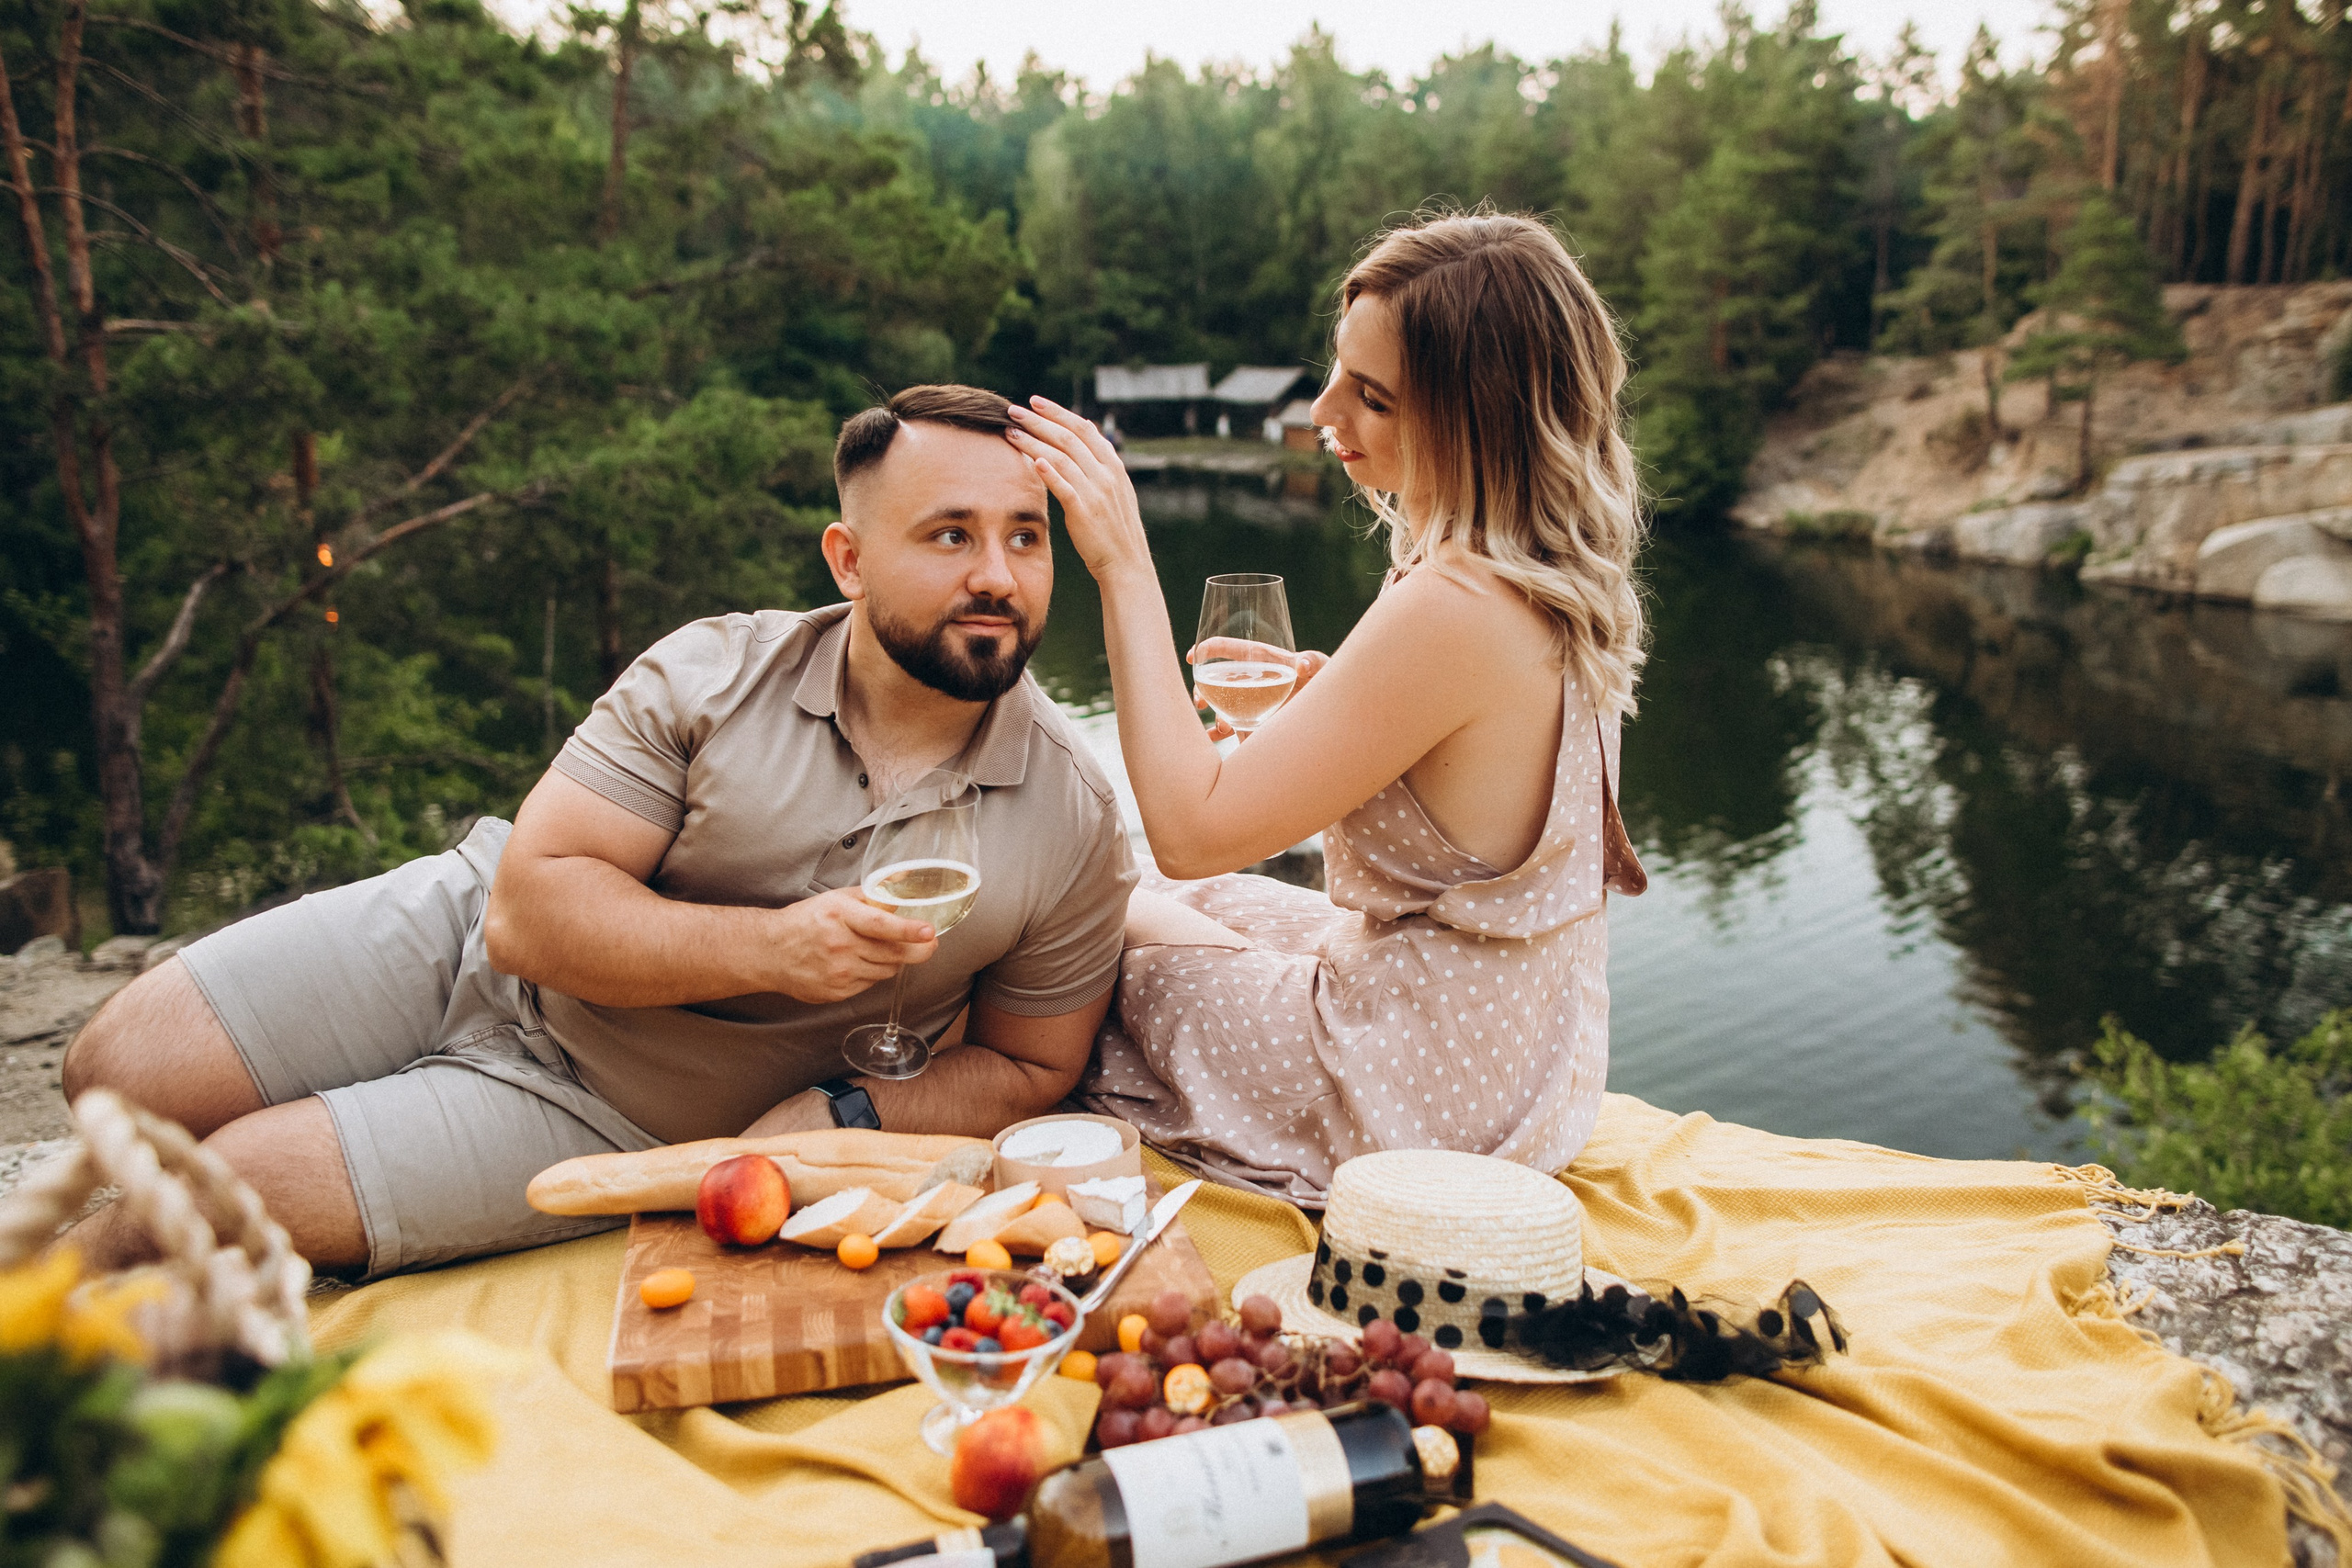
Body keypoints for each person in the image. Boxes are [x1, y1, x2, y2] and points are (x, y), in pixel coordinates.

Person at [63, 384, 1136, 1277]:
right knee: (114, 1068)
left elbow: (1028, 1065)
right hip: (465, 935)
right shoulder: (714, 671)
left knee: (208, 1195)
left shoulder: (1075, 817)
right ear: (848, 560)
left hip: (615, 1114)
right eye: (951, 536)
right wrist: (777, 949)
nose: (996, 576)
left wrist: (849, 1109)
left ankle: (43, 1330)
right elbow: (526, 918)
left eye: (1025, 538)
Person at [1004, 212, 1648, 1206]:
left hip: (1425, 1099)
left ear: (1475, 417)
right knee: (1197, 907)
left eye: (1373, 396)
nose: (1322, 409)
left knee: (1085, 929)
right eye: (1338, 372)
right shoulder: (1544, 572)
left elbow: (1189, 830)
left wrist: (1123, 563)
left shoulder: (1455, 605)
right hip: (1519, 1051)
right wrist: (1328, 700)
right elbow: (1470, 763)